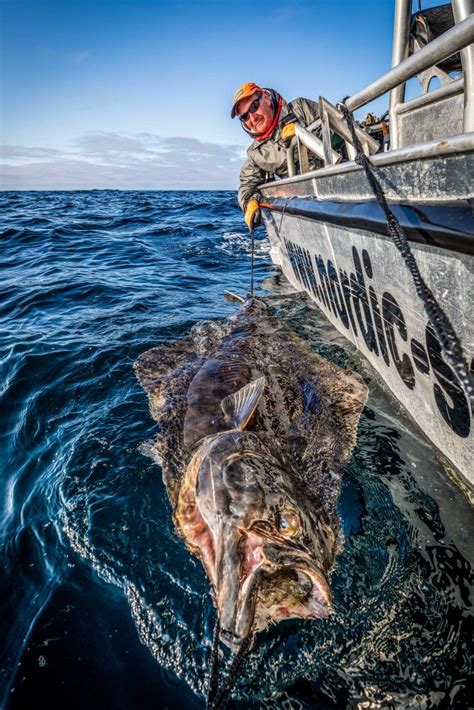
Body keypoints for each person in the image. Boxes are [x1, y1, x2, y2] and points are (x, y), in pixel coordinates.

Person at [231, 82, 321, 230]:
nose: (252, 119)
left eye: (253, 107)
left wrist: (305, 134)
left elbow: (339, 131)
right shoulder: (255, 153)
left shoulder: (301, 108)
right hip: (303, 205)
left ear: (265, 97)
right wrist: (249, 203)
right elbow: (247, 185)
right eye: (245, 117)